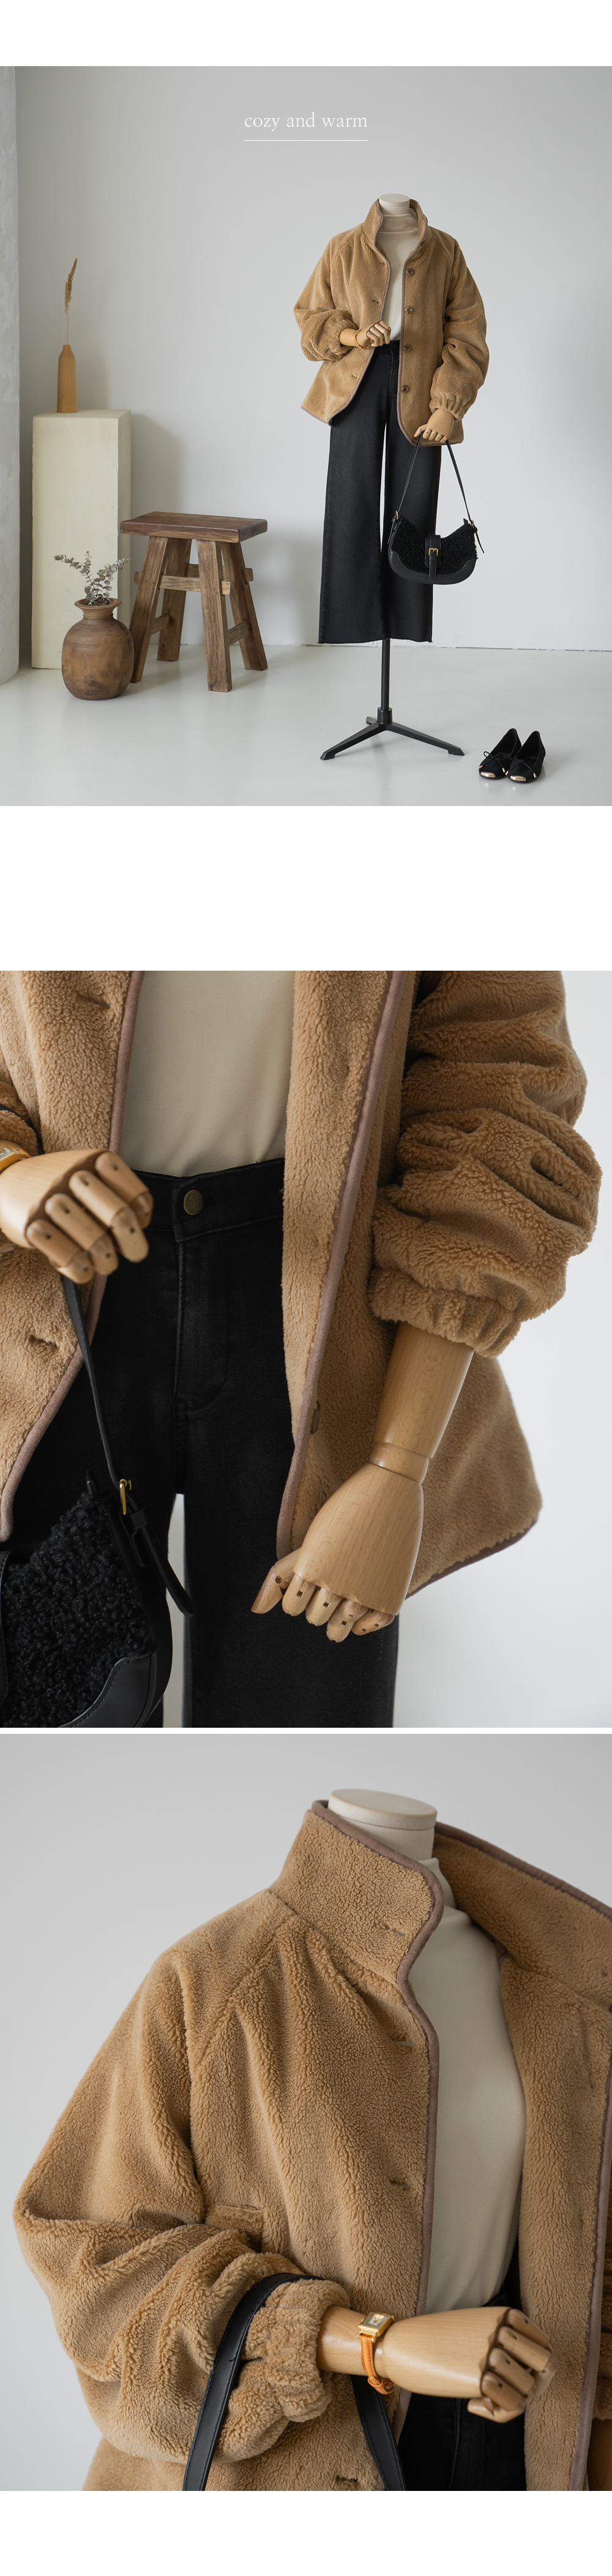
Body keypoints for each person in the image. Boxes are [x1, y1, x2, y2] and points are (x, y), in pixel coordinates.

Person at [0, 969, 600, 1726]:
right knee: (52, 1731)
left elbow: (496, 1103)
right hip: (50, 1285)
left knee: (303, 1729)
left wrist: (397, 1468)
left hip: (324, 1313)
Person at [13, 1791, 612, 2490]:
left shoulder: (560, 1991)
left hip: (515, 2431)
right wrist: (369, 2342)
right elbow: (92, 2254)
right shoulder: (215, 1978)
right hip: (284, 2462)